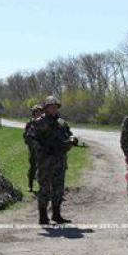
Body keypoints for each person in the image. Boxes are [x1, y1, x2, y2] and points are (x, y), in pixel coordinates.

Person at [30, 96, 78, 225]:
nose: (54, 108)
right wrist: (43, 148)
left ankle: (56, 215)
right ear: (45, 108)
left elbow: (69, 133)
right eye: (51, 106)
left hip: (60, 160)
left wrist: (72, 139)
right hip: (45, 161)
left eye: (55, 106)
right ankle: (43, 217)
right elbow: (31, 139)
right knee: (44, 189)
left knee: (59, 188)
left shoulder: (61, 121)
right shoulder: (39, 122)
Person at [23, 104, 44, 192]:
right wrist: (32, 143)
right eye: (37, 112)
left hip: (43, 150)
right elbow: (26, 136)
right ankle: (30, 185)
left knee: (43, 168)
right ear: (34, 113)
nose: (39, 114)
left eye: (40, 112)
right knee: (33, 167)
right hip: (33, 150)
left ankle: (42, 186)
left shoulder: (44, 123)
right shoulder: (30, 123)